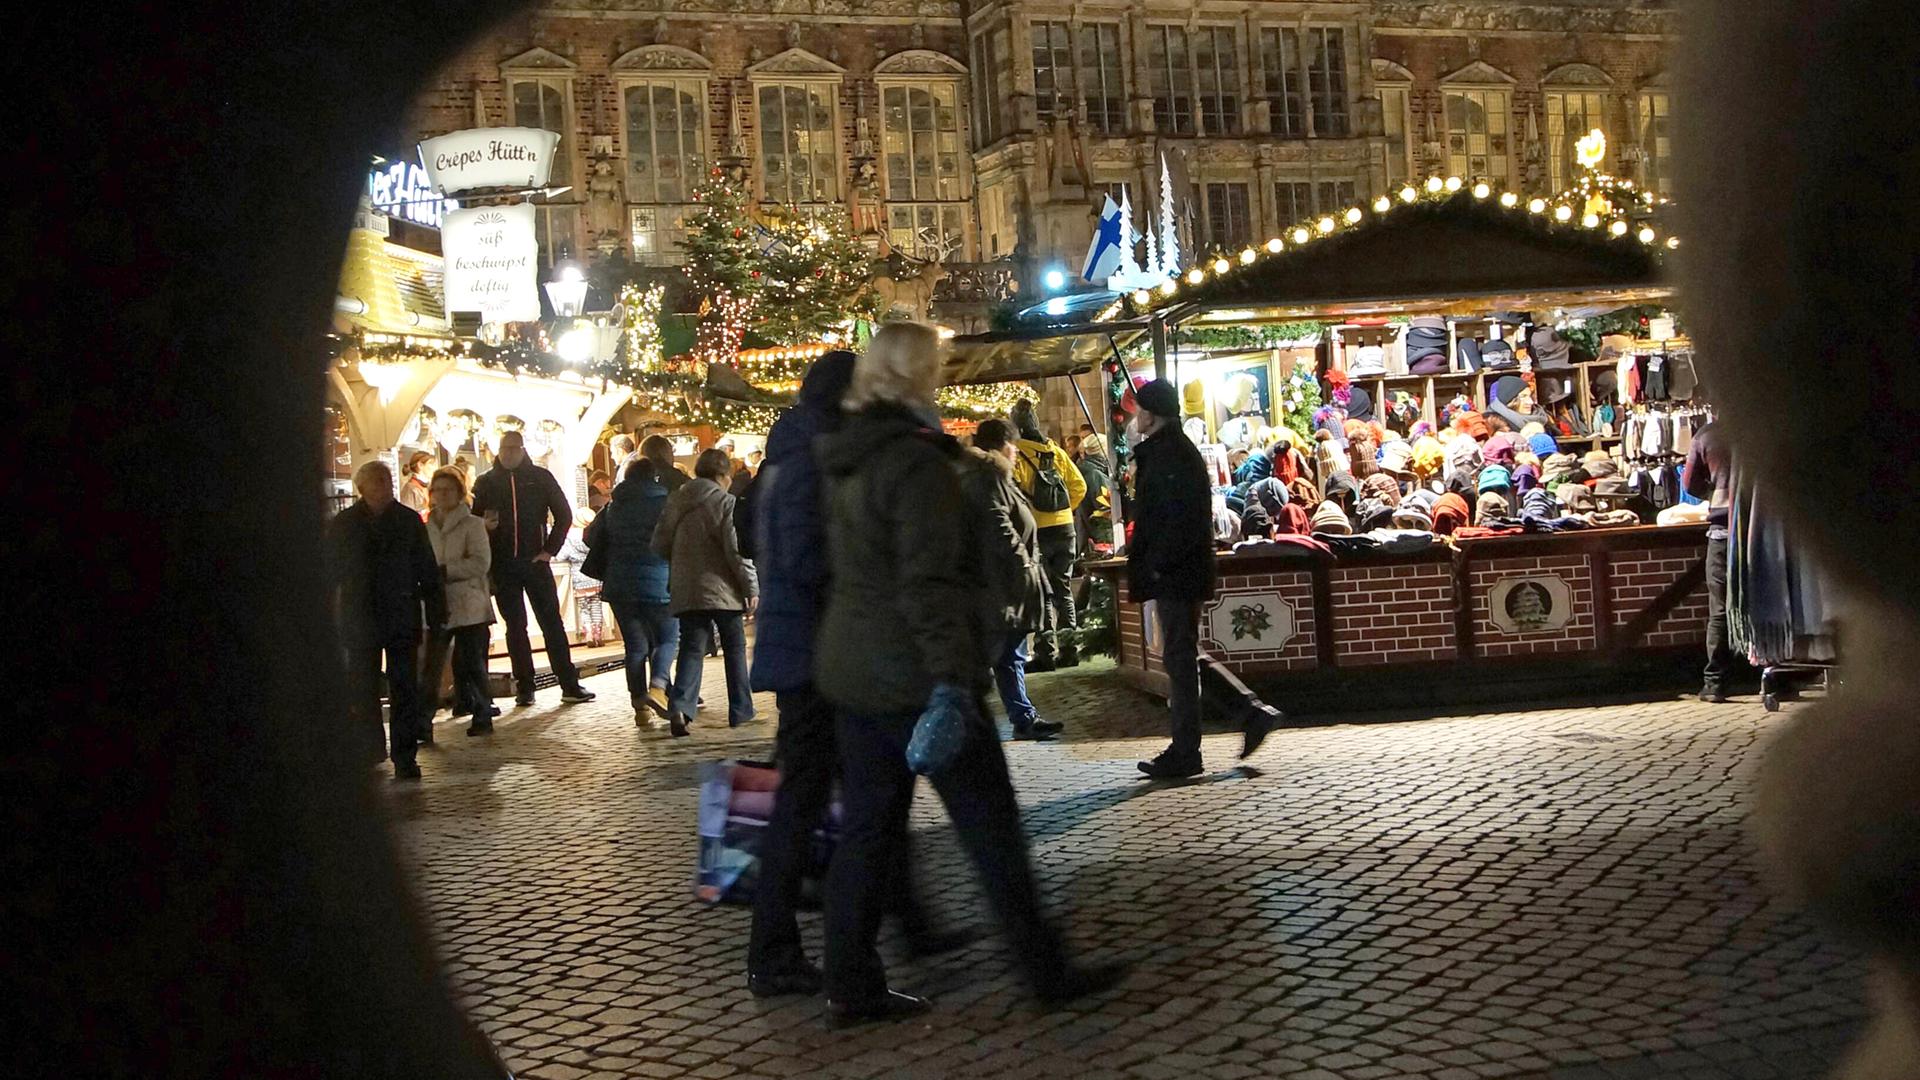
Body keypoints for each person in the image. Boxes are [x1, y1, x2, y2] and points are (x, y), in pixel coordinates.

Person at [815, 322, 1125, 1025]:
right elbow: (928, 584)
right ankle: (1047, 971)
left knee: (868, 831)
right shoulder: (914, 462)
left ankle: (851, 982)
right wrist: (954, 680)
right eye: (936, 366)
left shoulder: (846, 456)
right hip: (917, 674)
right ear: (915, 375)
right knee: (991, 829)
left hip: (855, 668)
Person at [744, 351, 965, 999]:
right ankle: (777, 952)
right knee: (816, 802)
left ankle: (907, 925)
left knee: (871, 793)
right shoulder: (811, 461)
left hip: (813, 651)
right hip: (815, 658)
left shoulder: (792, 457)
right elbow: (811, 563)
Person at [1128, 379, 1271, 779]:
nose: (1136, 416)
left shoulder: (1169, 455)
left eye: (1140, 409)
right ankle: (1248, 712)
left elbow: (1172, 519)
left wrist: (1157, 564)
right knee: (1182, 654)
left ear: (1152, 414)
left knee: (1180, 656)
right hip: (1177, 568)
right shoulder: (1168, 451)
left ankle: (1189, 749)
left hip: (1176, 570)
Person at [328, 460, 446, 780]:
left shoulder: (407, 521)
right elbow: (332, 571)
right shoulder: (345, 523)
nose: (384, 486)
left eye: (387, 480)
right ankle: (371, 748)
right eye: (377, 481)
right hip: (360, 615)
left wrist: (437, 613)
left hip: (400, 613)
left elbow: (426, 568)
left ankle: (405, 755)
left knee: (403, 687)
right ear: (362, 488)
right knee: (363, 685)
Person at [470, 430, 596, 707]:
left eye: (514, 448)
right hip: (503, 565)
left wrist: (549, 550)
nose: (509, 453)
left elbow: (563, 514)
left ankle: (568, 684)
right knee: (515, 628)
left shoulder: (540, 477)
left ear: (523, 449)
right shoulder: (486, 482)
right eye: (505, 448)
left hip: (535, 563)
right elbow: (474, 521)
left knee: (551, 623)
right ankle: (525, 687)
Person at [960, 418, 1060, 741]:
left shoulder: (995, 476)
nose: (1016, 452)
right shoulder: (988, 478)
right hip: (1000, 584)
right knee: (998, 652)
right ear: (1004, 446)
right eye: (1014, 446)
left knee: (1008, 654)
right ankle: (983, 722)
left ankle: (1023, 717)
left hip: (1003, 583)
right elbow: (999, 528)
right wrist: (1024, 567)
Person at [653, 449, 756, 731]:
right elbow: (736, 551)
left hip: (687, 588)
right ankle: (741, 710)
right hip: (723, 589)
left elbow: (659, 543)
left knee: (691, 647)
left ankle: (681, 708)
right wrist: (751, 586)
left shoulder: (677, 500)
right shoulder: (725, 502)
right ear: (722, 475)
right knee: (735, 647)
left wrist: (683, 564)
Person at [587, 457, 680, 729]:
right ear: (654, 477)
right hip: (659, 581)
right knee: (667, 638)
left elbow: (592, 538)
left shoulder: (613, 507)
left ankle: (639, 707)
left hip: (620, 585)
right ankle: (659, 687)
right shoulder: (665, 504)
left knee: (636, 646)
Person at [1008, 397, 1086, 671]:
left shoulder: (1017, 453)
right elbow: (1080, 486)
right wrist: (1065, 510)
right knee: (1063, 588)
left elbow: (1012, 494)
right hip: (1065, 528)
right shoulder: (1055, 452)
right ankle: (1070, 649)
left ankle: (1045, 653)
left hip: (1038, 532)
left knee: (1041, 593)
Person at [419, 466, 497, 738]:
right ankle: (423, 722)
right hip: (437, 603)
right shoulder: (426, 527)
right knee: (432, 665)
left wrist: (445, 572)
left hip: (468, 604)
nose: (442, 495)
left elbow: (480, 563)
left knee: (471, 662)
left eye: (448, 490)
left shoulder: (473, 525)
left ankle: (482, 712)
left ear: (459, 493)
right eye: (437, 490)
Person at [1684, 421, 1735, 703]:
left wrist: (1715, 493)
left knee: (1720, 608)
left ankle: (1715, 682)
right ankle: (1779, 673)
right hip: (1763, 527)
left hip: (1722, 531)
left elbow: (1689, 483)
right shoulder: (1764, 428)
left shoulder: (1706, 435)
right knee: (1772, 598)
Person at [398, 450, 433, 517]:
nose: (434, 467)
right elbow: (406, 516)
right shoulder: (410, 488)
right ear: (420, 465)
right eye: (431, 464)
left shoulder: (427, 486)